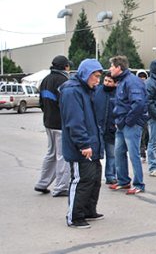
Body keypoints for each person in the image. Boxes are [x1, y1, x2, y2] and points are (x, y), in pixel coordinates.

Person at [60, 58, 104, 229]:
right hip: (82, 147)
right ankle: (75, 216)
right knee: (82, 179)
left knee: (94, 178)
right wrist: (83, 144)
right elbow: (75, 121)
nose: (98, 81)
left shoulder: (86, 90)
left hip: (91, 144)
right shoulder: (72, 92)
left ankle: (88, 210)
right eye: (96, 76)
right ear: (86, 74)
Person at [109, 56, 148, 195]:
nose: (110, 69)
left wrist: (128, 121)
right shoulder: (122, 81)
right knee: (118, 152)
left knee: (133, 154)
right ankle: (123, 181)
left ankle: (139, 184)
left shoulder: (132, 82)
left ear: (119, 68)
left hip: (130, 124)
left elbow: (138, 103)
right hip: (122, 123)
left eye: (112, 66)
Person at [34, 55, 72, 197]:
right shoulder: (63, 81)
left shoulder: (45, 80)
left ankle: (42, 183)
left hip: (48, 122)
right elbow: (65, 104)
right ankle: (61, 187)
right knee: (63, 156)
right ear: (65, 67)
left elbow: (41, 103)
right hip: (60, 124)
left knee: (51, 153)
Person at [94, 73, 118, 185]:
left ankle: (110, 176)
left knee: (112, 154)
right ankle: (94, 177)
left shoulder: (118, 94)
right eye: (106, 80)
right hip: (98, 128)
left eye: (110, 81)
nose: (107, 83)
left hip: (111, 129)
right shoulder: (97, 91)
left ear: (115, 83)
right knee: (95, 154)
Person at [137, 71, 149, 162]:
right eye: (140, 76)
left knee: (146, 135)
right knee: (141, 136)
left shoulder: (148, 87)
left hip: (147, 115)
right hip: (138, 115)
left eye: (144, 76)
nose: (142, 78)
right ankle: (142, 154)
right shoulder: (134, 87)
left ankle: (145, 150)